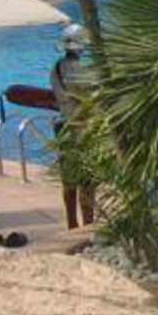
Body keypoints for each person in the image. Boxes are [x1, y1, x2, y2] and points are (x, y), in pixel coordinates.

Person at [50, 25, 96, 230]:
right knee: (87, 180)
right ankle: (88, 223)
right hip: (81, 127)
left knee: (68, 180)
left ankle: (71, 223)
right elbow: (92, 95)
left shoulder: (56, 68)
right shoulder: (80, 71)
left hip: (63, 126)